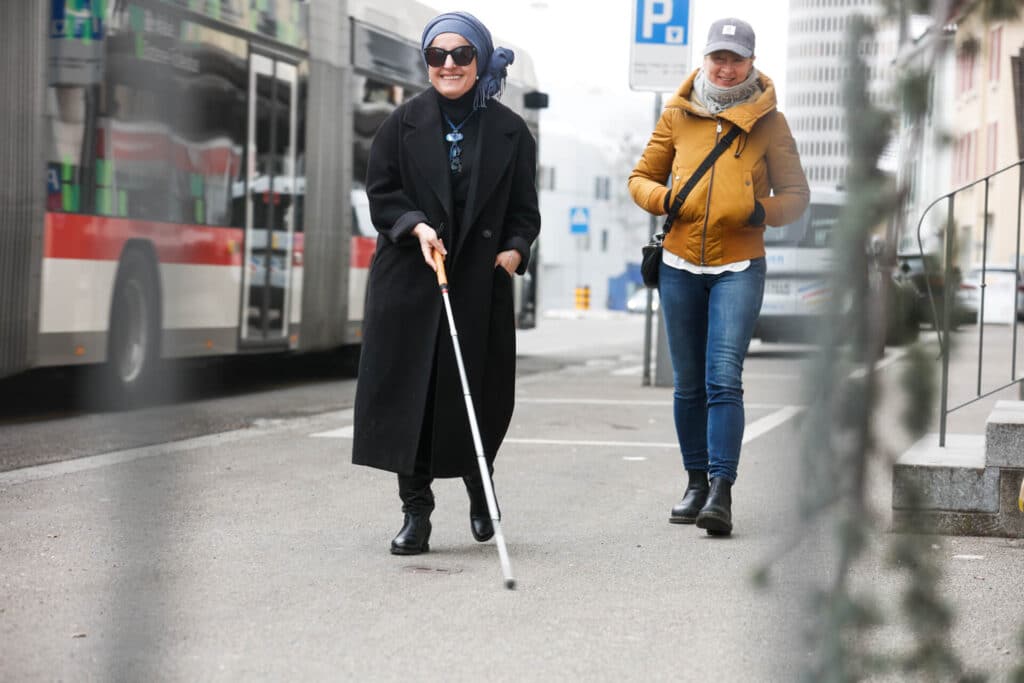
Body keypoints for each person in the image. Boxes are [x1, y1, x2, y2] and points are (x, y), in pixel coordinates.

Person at [352, 11, 540, 555]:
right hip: (411, 284)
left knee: (478, 397)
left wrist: (513, 251)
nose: (449, 65)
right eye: (438, 55)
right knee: (411, 399)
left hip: (480, 285)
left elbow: (524, 213)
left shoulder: (510, 131)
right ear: (427, 62)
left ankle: (481, 488)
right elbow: (381, 194)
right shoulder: (400, 122)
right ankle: (416, 514)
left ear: (479, 59)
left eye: (461, 54)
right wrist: (415, 226)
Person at [628, 18, 809, 536]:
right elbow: (640, 177)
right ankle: (694, 482)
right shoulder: (676, 115)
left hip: (738, 265)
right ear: (705, 59)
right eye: (718, 58)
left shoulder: (771, 122)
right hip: (680, 264)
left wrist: (758, 211)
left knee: (722, 377)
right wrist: (663, 199)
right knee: (688, 385)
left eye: (736, 59)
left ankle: (721, 491)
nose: (726, 68)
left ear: (752, 63)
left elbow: (796, 197)